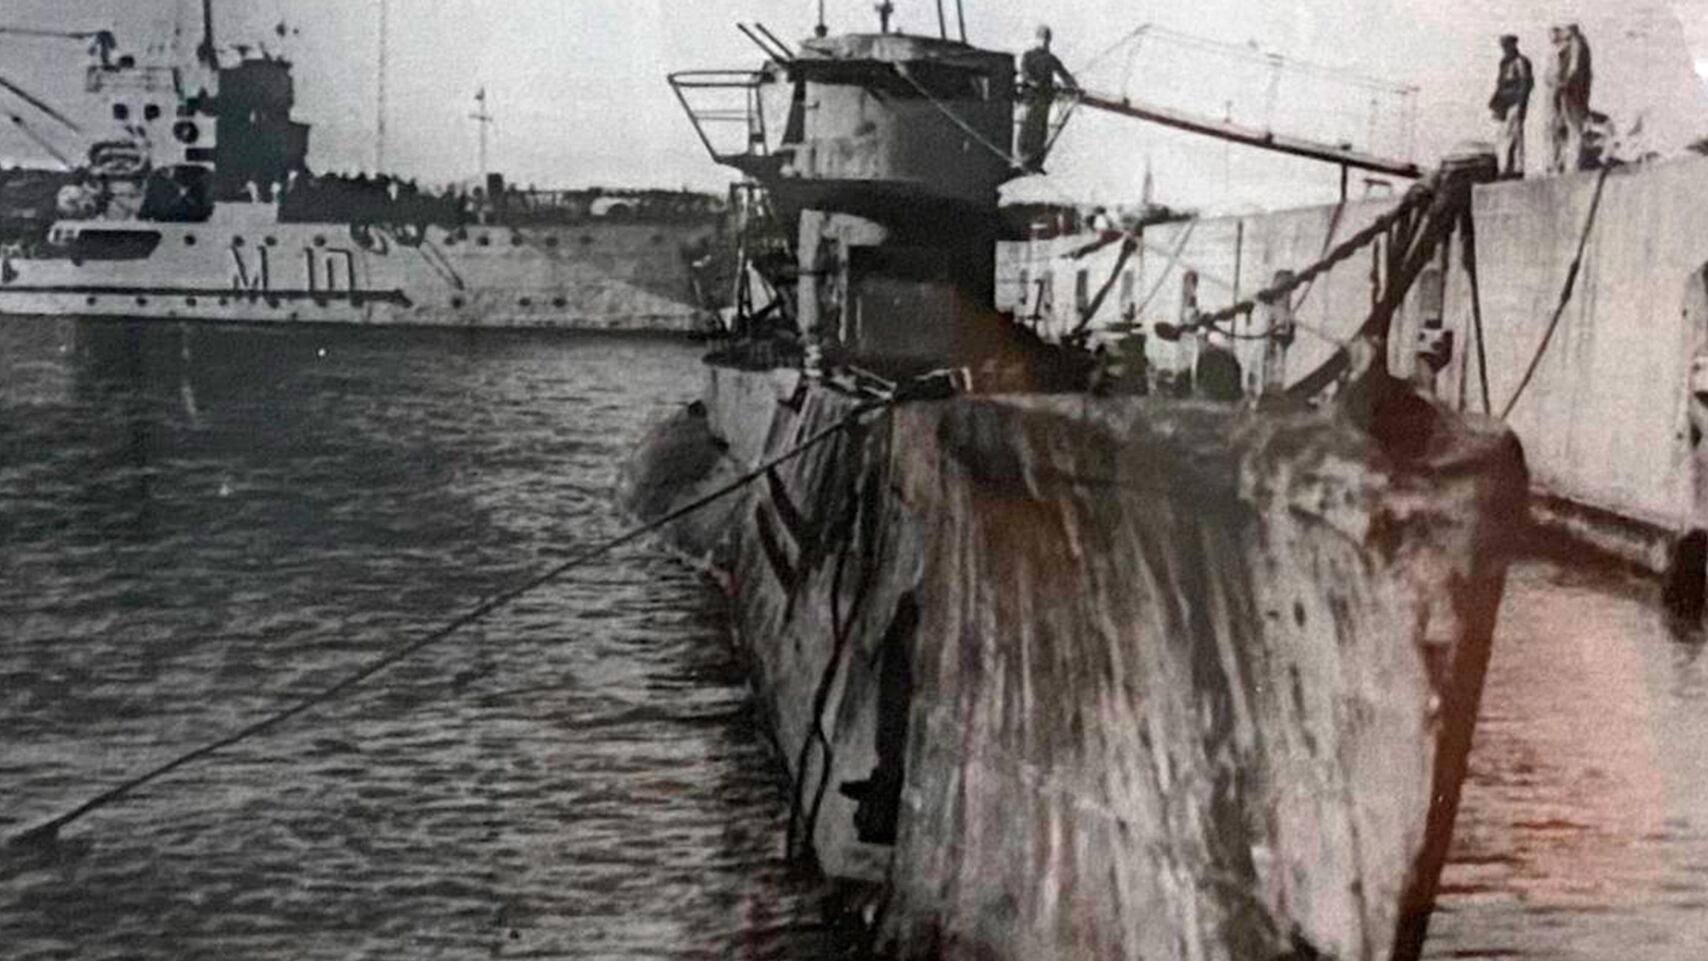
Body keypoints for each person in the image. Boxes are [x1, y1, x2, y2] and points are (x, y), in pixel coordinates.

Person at [1018, 25, 1076, 173]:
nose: (1044, 42)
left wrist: (1074, 86)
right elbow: (1024, 72)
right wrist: (1032, 82)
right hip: (1031, 98)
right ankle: (1024, 159)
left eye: (1047, 40)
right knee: (1028, 128)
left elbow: (1063, 73)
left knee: (1041, 130)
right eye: (1042, 39)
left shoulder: (1050, 58)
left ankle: (1035, 162)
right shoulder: (1028, 56)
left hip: (1044, 99)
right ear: (1037, 39)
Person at [1488, 34, 1533, 179]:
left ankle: (1517, 168)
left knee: (1515, 135)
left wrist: (1521, 103)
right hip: (1505, 104)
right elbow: (1500, 84)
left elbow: (1525, 83)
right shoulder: (1504, 63)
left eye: (1507, 45)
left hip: (1515, 102)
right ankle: (1506, 167)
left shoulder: (1520, 61)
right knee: (1504, 136)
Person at [1561, 23, 1593, 170]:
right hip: (1578, 89)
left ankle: (1575, 163)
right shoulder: (1579, 44)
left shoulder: (1576, 44)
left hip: (1574, 90)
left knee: (1574, 126)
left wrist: (1565, 83)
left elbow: (1574, 68)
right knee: (1575, 126)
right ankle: (1575, 162)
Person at [1543, 26, 1570, 173]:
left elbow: (1561, 74)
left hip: (1559, 93)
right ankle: (1552, 161)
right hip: (1552, 93)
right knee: (1551, 129)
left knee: (1560, 128)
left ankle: (1559, 162)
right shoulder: (1553, 53)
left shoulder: (1564, 51)